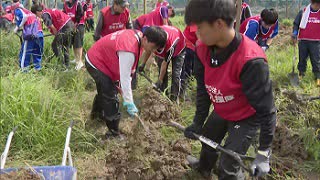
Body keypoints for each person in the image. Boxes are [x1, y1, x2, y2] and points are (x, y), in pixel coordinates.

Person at [184, 0, 276, 179]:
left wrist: (264, 154)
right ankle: (203, 168)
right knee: (208, 139)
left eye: (200, 27)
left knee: (229, 162)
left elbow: (267, 111)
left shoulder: (251, 60)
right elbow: (203, 90)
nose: (197, 33)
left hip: (246, 115)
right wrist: (197, 121)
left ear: (219, 24)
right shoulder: (202, 48)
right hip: (223, 107)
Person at [85, 27, 167, 138]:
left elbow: (127, 73)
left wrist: (123, 90)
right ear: (146, 39)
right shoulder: (129, 48)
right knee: (110, 94)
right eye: (153, 47)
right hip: (96, 61)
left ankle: (96, 117)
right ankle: (113, 133)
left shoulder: (139, 36)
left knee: (106, 89)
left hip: (105, 59)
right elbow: (125, 78)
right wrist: (129, 101)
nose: (153, 51)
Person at [138, 25, 186, 102]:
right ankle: (163, 95)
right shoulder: (155, 36)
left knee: (176, 75)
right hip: (165, 46)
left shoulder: (170, 46)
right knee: (162, 72)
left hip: (179, 49)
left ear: (160, 46)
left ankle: (174, 99)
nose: (153, 51)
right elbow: (148, 50)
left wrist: (159, 80)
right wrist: (142, 65)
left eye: (154, 49)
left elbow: (165, 63)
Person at [31, 4, 75, 69]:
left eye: (35, 15)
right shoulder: (48, 11)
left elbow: (51, 25)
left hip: (65, 27)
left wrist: (56, 33)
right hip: (70, 25)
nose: (37, 16)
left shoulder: (44, 14)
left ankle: (62, 64)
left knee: (55, 45)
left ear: (37, 12)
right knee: (65, 46)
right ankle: (67, 66)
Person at [292, 0, 320, 86]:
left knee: (316, 60)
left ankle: (318, 77)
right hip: (303, 40)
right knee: (302, 58)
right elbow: (296, 24)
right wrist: (295, 33)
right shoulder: (303, 12)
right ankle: (301, 74)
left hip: (316, 41)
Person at [12, 0, 43, 72]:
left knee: (26, 52)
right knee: (37, 52)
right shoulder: (30, 12)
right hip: (39, 33)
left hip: (30, 34)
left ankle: (24, 71)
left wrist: (17, 27)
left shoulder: (17, 10)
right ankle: (37, 69)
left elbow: (24, 17)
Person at [63, 0, 85, 70]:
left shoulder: (78, 4)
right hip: (71, 26)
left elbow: (80, 14)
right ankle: (76, 59)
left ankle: (80, 62)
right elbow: (64, 14)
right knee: (74, 43)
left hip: (79, 25)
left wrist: (75, 24)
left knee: (78, 44)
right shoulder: (66, 4)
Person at [180, 24, 198, 101]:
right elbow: (197, 33)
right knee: (186, 71)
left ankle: (190, 89)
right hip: (187, 46)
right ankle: (183, 94)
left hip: (193, 48)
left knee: (192, 71)